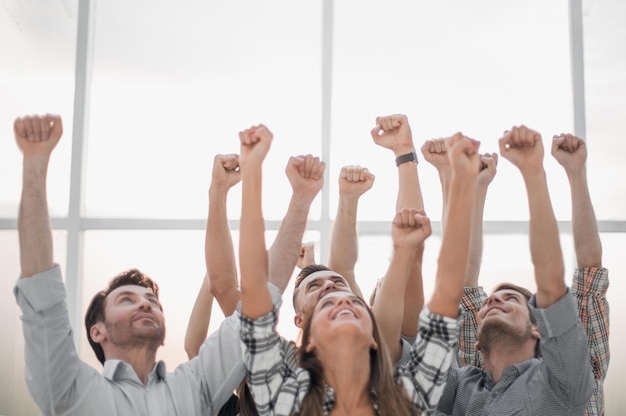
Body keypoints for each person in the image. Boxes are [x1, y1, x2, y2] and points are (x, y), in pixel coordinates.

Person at [12, 114, 281, 416]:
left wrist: (249, 173)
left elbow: (258, 306)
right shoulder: (71, 389)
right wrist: (35, 167)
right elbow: (41, 295)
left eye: (151, 301)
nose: (145, 305)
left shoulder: (194, 388)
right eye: (127, 299)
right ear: (97, 331)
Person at [238, 124, 479, 415]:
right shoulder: (283, 399)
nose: (339, 296)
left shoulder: (408, 397)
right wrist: (252, 170)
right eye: (326, 301)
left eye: (353, 301)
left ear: (374, 338)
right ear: (308, 340)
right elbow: (254, 294)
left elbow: (447, 292)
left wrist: (463, 182)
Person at [435, 125, 595, 415]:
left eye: (511, 299)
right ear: (475, 335)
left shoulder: (560, 387)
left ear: (538, 329)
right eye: (488, 303)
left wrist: (533, 172)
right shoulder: (459, 387)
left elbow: (552, 286)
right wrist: (457, 181)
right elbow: (456, 282)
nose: (494, 299)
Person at [551, 133, 609, 416]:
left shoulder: (579, 371)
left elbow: (589, 270)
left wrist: (575, 172)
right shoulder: (482, 385)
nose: (495, 303)